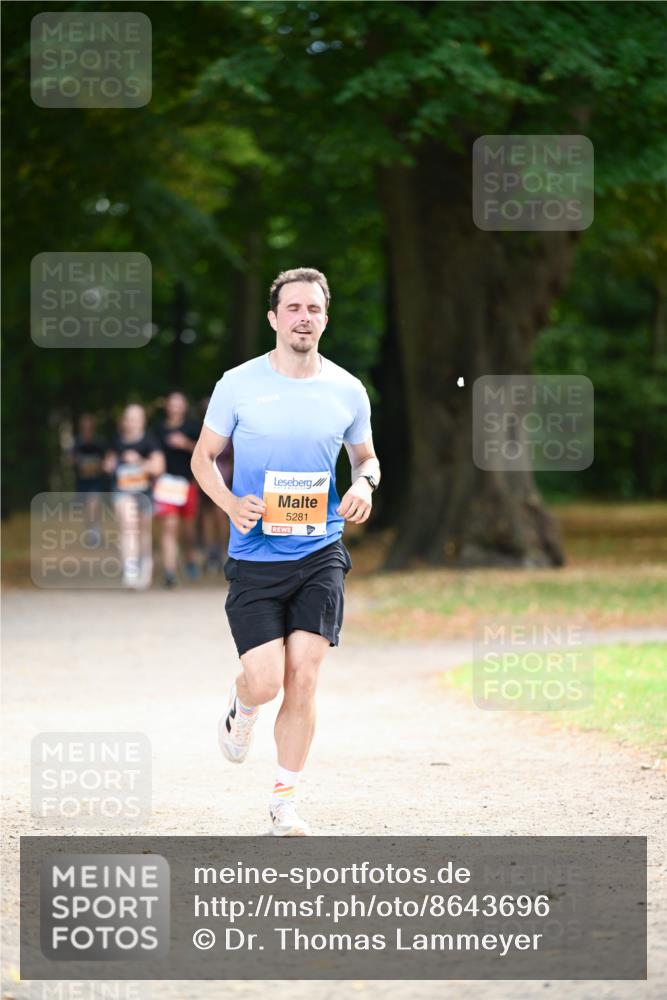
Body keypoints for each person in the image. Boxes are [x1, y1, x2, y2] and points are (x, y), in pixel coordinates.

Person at [191, 267, 380, 836]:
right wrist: (230, 503)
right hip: (255, 555)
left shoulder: (347, 389)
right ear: (274, 318)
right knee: (266, 680)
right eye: (293, 308)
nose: (304, 318)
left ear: (325, 319)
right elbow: (203, 459)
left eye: (313, 309)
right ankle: (243, 704)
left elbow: (366, 458)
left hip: (320, 551)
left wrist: (364, 485)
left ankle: (283, 803)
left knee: (304, 676)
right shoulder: (238, 384)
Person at [103, 404, 164, 589]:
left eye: (135, 418)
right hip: (122, 491)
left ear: (142, 421)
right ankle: (130, 571)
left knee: (143, 532)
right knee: (128, 526)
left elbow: (158, 468)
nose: (131, 422)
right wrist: (110, 464)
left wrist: (139, 461)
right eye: (128, 418)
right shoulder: (116, 441)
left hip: (144, 493)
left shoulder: (150, 441)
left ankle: (145, 566)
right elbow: (107, 465)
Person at [154, 391, 202, 587]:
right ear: (167, 406)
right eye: (172, 404)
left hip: (188, 484)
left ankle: (190, 558)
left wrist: (185, 444)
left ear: (184, 407)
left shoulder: (193, 427)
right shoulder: (158, 430)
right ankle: (170, 571)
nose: (175, 408)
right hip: (166, 485)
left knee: (188, 530)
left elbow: (204, 452)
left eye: (178, 404)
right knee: (170, 526)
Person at [197, 396, 232, 575]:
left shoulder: (228, 428)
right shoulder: (201, 429)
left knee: (221, 515)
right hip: (205, 474)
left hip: (223, 475)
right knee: (207, 515)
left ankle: (224, 551)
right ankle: (210, 553)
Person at [67, 413, 107, 544]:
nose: (87, 429)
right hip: (82, 482)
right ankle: (91, 530)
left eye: (89, 426)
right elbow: (70, 460)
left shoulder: (99, 442)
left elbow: (107, 459)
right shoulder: (77, 443)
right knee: (86, 508)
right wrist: (77, 462)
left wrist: (100, 465)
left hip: (96, 481)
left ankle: (96, 531)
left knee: (93, 504)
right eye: (84, 426)